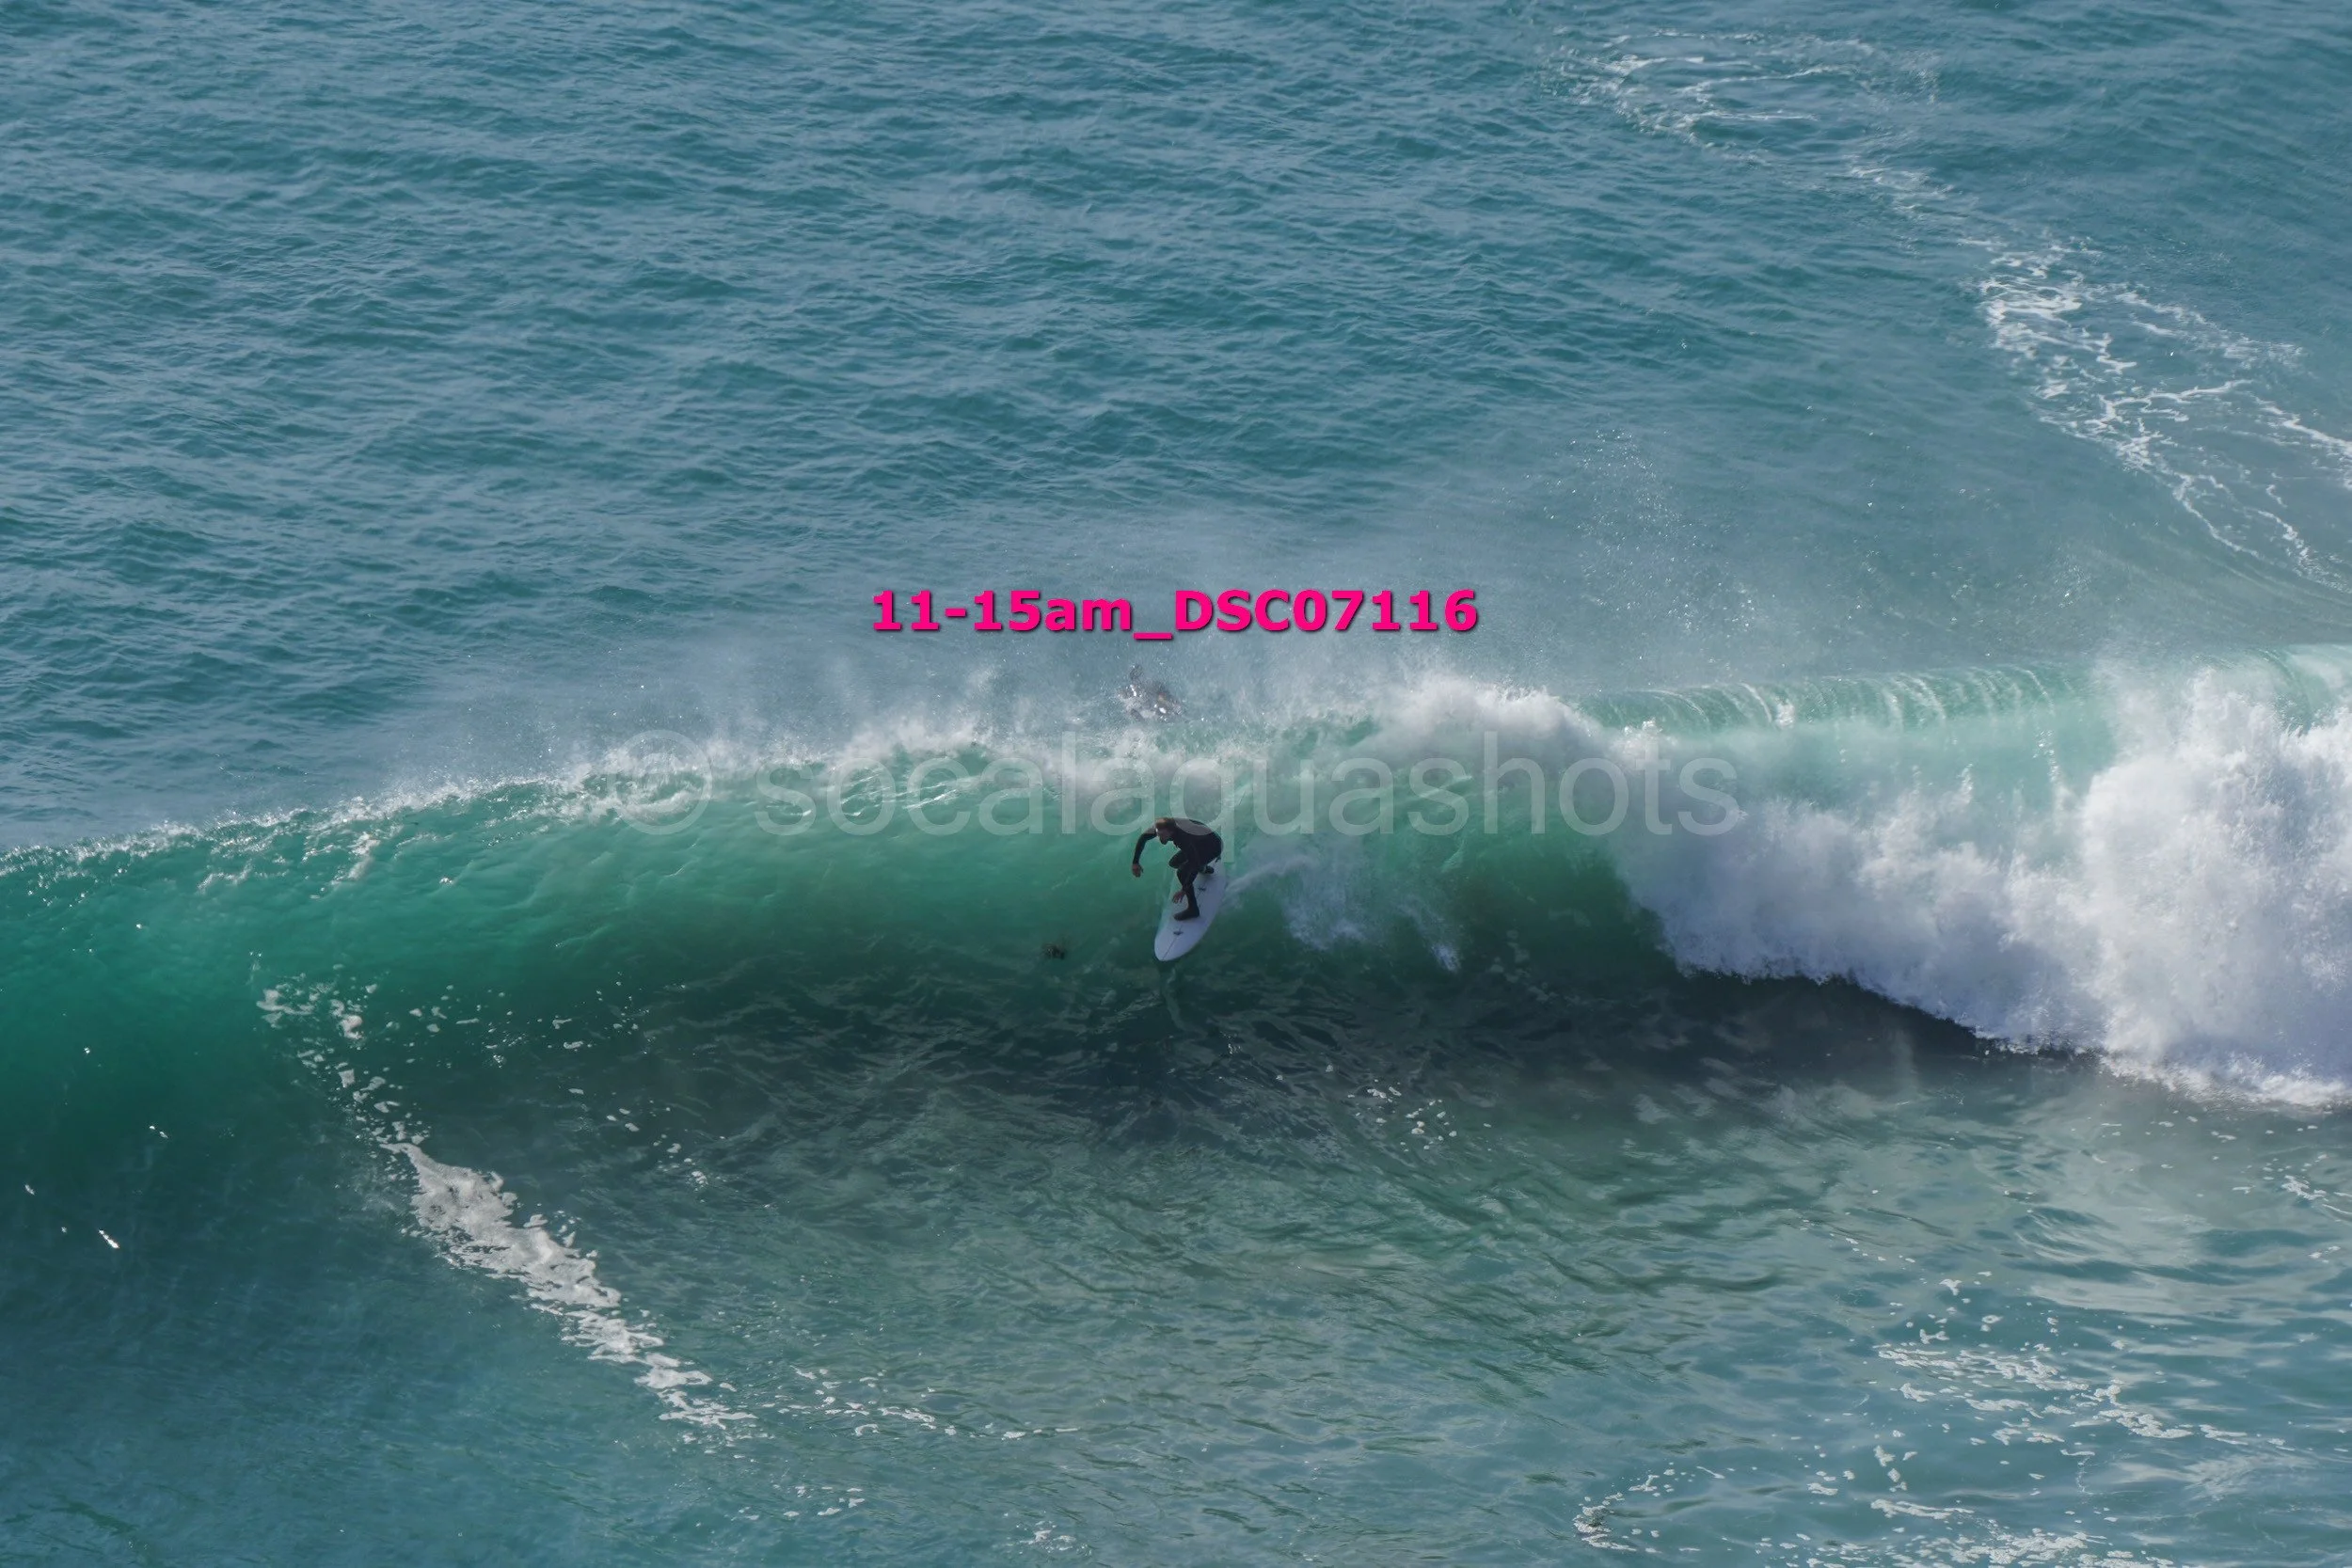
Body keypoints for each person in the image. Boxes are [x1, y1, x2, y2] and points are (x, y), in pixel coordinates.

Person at [1131, 816, 1221, 920]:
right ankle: (1204, 869)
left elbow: (1194, 863)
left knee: (1182, 872)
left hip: (1212, 847)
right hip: (1198, 842)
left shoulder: (1183, 837)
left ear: (1171, 832)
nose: (1160, 837)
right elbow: (1143, 838)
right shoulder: (1161, 826)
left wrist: (1184, 889)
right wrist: (1135, 862)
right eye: (1158, 834)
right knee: (1174, 863)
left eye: (1163, 835)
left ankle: (1193, 909)